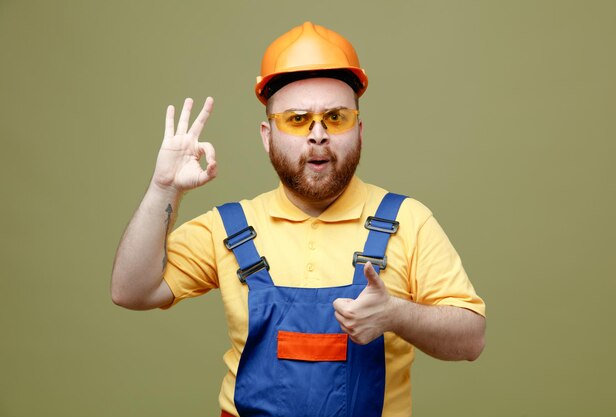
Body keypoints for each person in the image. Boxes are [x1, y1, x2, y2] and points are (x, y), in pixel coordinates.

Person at [111, 21, 486, 417]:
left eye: (336, 117)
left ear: (359, 132)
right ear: (266, 135)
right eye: (296, 119)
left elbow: (471, 340)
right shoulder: (228, 227)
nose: (318, 134)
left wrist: (396, 314)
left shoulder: (408, 221)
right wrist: (164, 187)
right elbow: (132, 291)